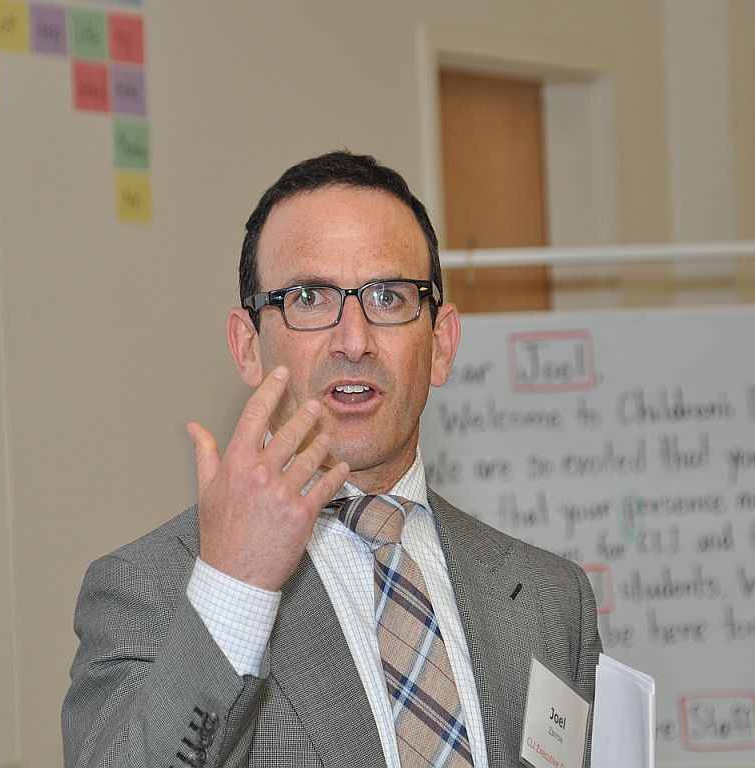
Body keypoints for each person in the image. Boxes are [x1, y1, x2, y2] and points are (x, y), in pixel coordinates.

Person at [62, 151, 601, 768]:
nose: (354, 340)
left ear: (441, 344)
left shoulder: (551, 598)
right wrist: (233, 590)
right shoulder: (149, 589)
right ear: (247, 346)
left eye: (389, 297)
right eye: (311, 298)